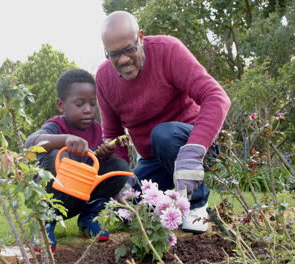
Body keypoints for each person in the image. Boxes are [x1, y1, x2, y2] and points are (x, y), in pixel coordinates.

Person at [96, 11, 231, 234]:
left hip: (194, 148)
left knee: (163, 135)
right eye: (113, 54)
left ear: (141, 37)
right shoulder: (103, 78)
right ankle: (173, 198)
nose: (122, 60)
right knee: (129, 211)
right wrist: (121, 180)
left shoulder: (168, 51)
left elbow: (217, 97)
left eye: (129, 49)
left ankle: (197, 205)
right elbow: (113, 134)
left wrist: (194, 150)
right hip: (153, 159)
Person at [25, 68, 129, 251]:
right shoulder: (56, 126)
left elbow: (90, 164)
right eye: (80, 104)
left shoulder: (98, 130)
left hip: (80, 198)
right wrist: (65, 139)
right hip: (56, 199)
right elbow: (31, 142)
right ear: (61, 104)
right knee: (54, 154)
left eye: (92, 104)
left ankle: (89, 217)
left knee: (118, 165)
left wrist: (103, 155)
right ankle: (45, 224)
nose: (88, 110)